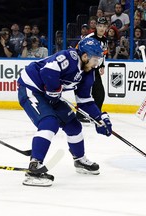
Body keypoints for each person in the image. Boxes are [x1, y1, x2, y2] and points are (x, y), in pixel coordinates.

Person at [17, 37, 112, 187]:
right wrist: (54, 91)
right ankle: (34, 167)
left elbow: (85, 100)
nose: (97, 64)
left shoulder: (88, 73)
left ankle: (79, 160)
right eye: (95, 60)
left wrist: (99, 118)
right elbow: (48, 71)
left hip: (50, 93)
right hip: (31, 88)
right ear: (85, 56)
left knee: (73, 125)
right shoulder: (69, 57)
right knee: (49, 123)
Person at [76, 17, 109, 122]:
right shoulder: (89, 37)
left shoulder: (105, 40)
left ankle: (95, 114)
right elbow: (78, 48)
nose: (101, 28)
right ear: (96, 26)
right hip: (87, 67)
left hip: (95, 67)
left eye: (104, 26)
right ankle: (83, 115)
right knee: (88, 91)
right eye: (100, 26)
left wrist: (102, 65)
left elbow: (103, 53)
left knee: (99, 93)